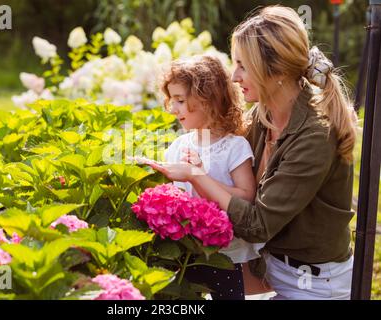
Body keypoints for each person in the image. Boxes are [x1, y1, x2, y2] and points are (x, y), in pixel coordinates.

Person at [150, 5, 357, 300]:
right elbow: (221, 151)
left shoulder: (314, 136)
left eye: (242, 66)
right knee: (171, 279)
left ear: (277, 72)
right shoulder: (265, 114)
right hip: (269, 266)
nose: (234, 76)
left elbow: (257, 225)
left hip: (312, 284)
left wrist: (196, 176)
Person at [159, 54, 264, 300]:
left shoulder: (234, 147)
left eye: (180, 101)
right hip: (184, 253)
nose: (173, 109)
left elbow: (246, 197)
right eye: (171, 100)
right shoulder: (178, 146)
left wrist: (201, 176)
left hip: (224, 256)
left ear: (207, 100)